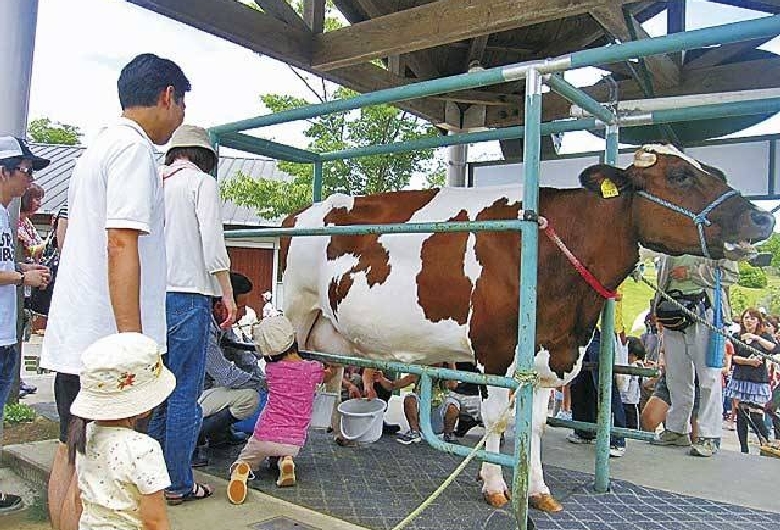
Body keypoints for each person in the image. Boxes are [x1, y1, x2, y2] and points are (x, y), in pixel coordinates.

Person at [40, 53, 189, 529]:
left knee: (72, 453)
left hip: (77, 338)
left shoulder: (98, 148)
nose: (182, 116)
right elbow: (121, 242)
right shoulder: (133, 151)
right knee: (112, 466)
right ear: (167, 96)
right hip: (109, 346)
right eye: (182, 104)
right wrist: (134, 346)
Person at [148, 125, 236, 504]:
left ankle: (149, 477)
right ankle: (179, 483)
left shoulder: (154, 181)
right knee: (185, 393)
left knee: (156, 393)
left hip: (151, 298)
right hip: (189, 296)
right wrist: (227, 294)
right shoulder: (201, 183)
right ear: (204, 157)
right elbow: (213, 243)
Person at [68, 333, 175, 530]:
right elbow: (155, 521)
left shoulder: (85, 433)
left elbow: (78, 500)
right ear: (145, 405)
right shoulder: (143, 449)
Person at [227, 315, 332, 504]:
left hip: (263, 434)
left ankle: (242, 470)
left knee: (245, 459)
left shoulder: (271, 370)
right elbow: (328, 375)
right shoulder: (313, 369)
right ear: (293, 338)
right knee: (284, 446)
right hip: (293, 441)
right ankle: (286, 461)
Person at [0, 137, 51, 512]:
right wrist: (22, 280)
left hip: (4, 333)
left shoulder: (5, 215)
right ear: (3, 171)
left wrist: (21, 269)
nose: (29, 180)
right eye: (25, 171)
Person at [652, 254, 738, 457]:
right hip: (672, 309)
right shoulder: (670, 238)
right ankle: (677, 429)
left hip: (704, 309)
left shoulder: (717, 235)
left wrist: (692, 273)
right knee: (676, 375)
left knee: (708, 376)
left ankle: (710, 435)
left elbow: (730, 274)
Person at [195, 272, 265, 466]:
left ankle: (220, 435)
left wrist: (260, 377)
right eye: (237, 308)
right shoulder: (204, 327)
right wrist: (262, 383)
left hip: (206, 390)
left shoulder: (222, 323)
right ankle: (192, 439)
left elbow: (240, 356)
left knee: (245, 387)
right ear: (219, 305)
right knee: (250, 398)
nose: (240, 313)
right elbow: (226, 374)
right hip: (192, 396)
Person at [726, 308, 775, 453]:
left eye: (753, 318)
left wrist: (757, 339)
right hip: (740, 377)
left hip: (758, 379)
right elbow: (732, 357)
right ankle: (743, 448)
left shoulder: (764, 336)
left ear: (758, 321)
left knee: (756, 413)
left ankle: (765, 443)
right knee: (741, 413)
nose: (749, 321)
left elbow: (774, 349)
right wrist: (747, 361)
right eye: (746, 318)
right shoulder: (736, 335)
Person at [393, 362, 461, 445]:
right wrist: (380, 379)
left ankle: (449, 434)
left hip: (439, 418)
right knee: (410, 398)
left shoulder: (445, 374)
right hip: (421, 417)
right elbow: (392, 386)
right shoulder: (418, 373)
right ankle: (414, 432)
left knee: (453, 405)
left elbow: (453, 385)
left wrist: (451, 362)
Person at [621, 337, 645, 430]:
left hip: (632, 404)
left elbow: (643, 384)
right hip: (622, 402)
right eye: (631, 354)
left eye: (636, 356)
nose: (633, 358)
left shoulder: (638, 366)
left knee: (632, 428)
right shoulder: (622, 364)